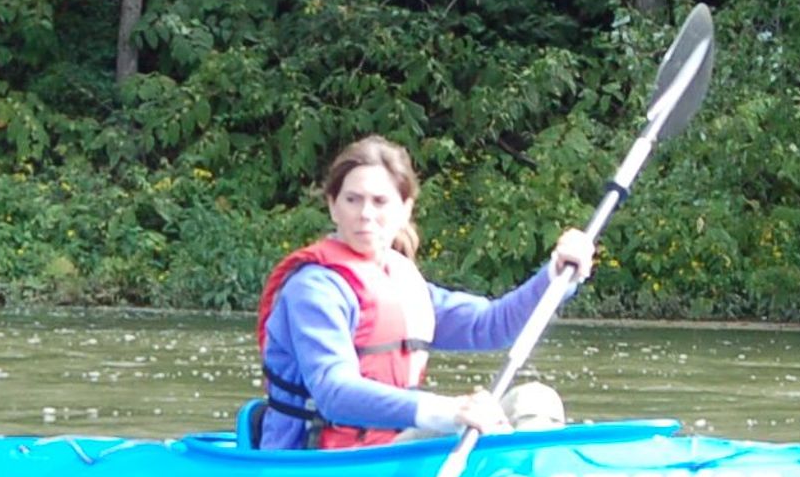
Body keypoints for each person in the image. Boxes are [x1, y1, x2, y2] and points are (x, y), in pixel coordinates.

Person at [247, 135, 593, 451]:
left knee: (534, 399)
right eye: (353, 200)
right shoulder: (314, 288)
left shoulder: (401, 280)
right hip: (323, 459)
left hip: (393, 443)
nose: (366, 214)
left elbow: (491, 325)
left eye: (380, 201)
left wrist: (555, 276)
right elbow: (334, 391)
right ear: (333, 206)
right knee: (473, 424)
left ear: (405, 209)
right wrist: (450, 411)